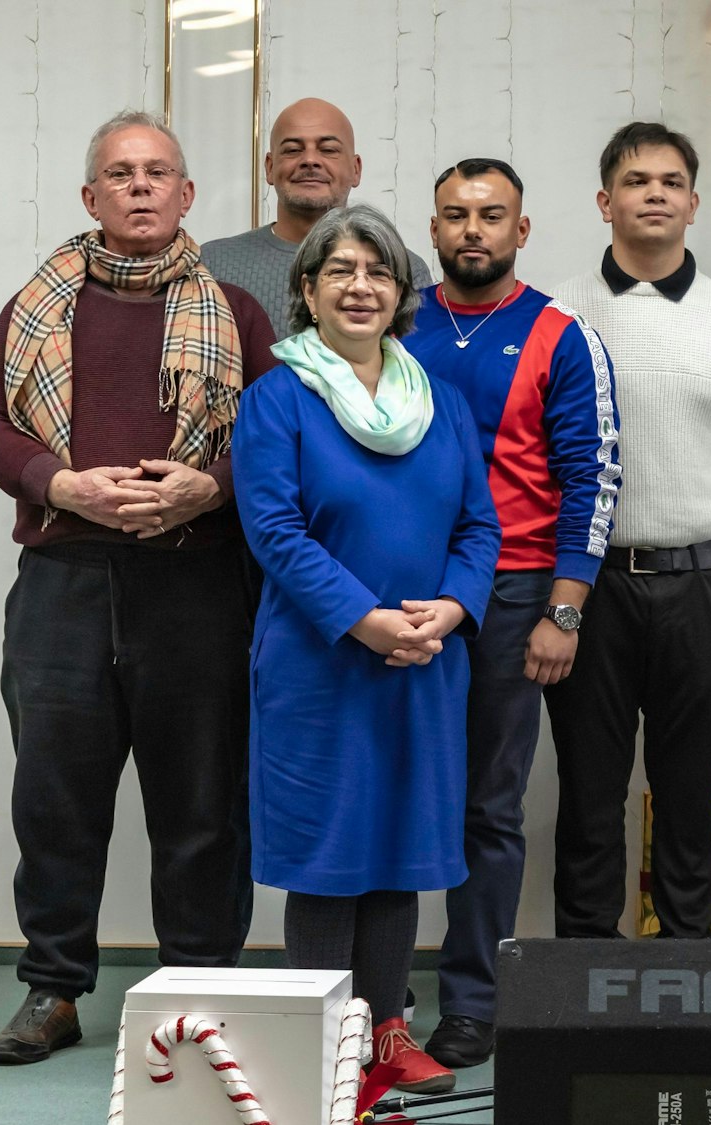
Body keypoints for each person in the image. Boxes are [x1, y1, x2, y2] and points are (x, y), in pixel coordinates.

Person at [0, 110, 272, 1066]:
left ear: (188, 196)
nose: (140, 187)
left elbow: (271, 441)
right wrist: (59, 485)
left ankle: (200, 990)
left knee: (202, 801)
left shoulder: (237, 310)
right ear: (89, 197)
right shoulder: (34, 307)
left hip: (197, 584)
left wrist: (206, 487)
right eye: (120, 173)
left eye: (158, 173)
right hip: (62, 582)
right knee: (54, 799)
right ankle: (54, 989)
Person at [235, 204, 501, 1094]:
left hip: (427, 661)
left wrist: (453, 611)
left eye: (379, 271)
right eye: (340, 270)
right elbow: (273, 530)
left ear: (402, 293)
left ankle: (388, 1031)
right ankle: (323, 1044)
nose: (361, 285)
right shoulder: (277, 397)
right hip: (322, 663)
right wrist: (366, 619)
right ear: (307, 291)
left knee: (401, 846)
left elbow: (479, 526)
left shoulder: (442, 400)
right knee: (329, 851)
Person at [402, 158, 622, 1067]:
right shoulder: (394, 320)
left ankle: (471, 1001)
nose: (473, 231)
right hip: (404, 594)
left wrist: (561, 613)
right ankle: (373, 997)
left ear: (522, 230)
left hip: (516, 591)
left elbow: (592, 479)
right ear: (434, 227)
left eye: (493, 215)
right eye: (455, 215)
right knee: (399, 792)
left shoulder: (560, 335)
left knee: (489, 806)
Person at [548, 122, 711, 950]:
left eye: (671, 181)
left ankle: (688, 950)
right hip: (589, 584)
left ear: (692, 202)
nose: (655, 193)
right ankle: (583, 954)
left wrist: (700, 531)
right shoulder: (559, 312)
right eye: (637, 180)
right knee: (589, 784)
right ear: (606, 201)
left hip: (703, 584)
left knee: (687, 787)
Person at [202, 97, 431, 337]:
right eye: (293, 150)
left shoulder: (404, 270)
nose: (310, 160)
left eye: (328, 150)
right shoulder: (213, 264)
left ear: (356, 169)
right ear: (269, 167)